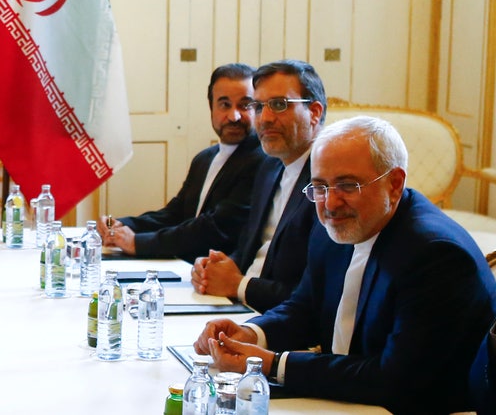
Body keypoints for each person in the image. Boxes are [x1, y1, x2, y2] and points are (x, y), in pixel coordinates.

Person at [195, 116, 496, 414]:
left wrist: (271, 363)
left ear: (394, 183)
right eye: (320, 186)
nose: (330, 203)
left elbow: (395, 379)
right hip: (348, 398)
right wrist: (251, 334)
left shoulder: (435, 255)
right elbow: (305, 308)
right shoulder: (335, 223)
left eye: (347, 185)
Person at [191, 59, 324, 313]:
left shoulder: (328, 182)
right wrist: (214, 268)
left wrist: (239, 285)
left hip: (281, 323)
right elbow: (250, 251)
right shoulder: (269, 168)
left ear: (314, 112)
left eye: (278, 105)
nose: (264, 119)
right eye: (259, 106)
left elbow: (316, 294)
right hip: (237, 308)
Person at [99, 63, 264, 262]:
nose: (234, 116)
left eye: (245, 105)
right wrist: (122, 225)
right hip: (184, 266)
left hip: (217, 276)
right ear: (211, 107)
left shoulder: (262, 161)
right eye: (224, 104)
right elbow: (174, 214)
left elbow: (217, 228)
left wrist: (138, 243)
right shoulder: (205, 158)